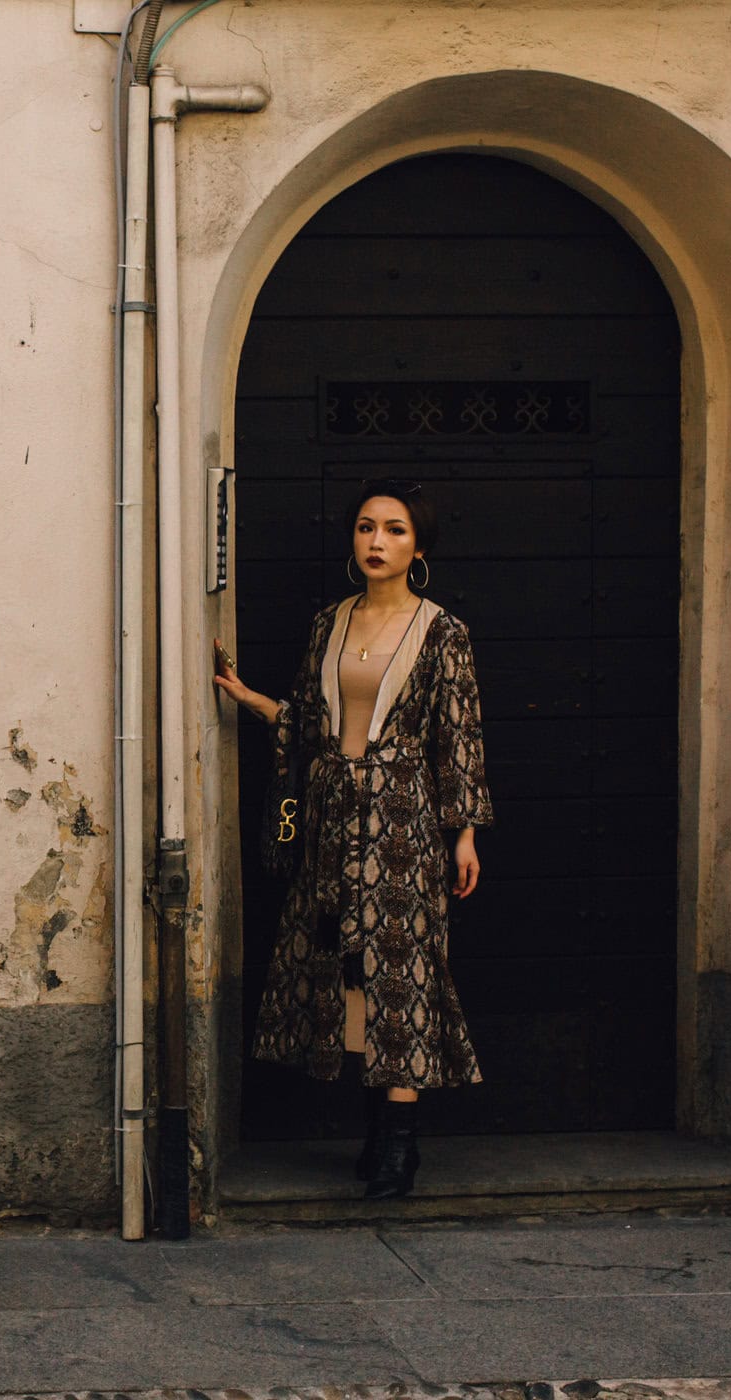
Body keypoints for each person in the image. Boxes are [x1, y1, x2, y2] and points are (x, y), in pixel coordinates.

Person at [213, 478, 492, 1199]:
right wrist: (250, 699)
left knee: (403, 974)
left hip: (406, 827)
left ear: (419, 546)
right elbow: (310, 722)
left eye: (395, 530)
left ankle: (400, 1147)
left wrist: (462, 836)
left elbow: (457, 738)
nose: (377, 541)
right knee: (349, 975)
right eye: (367, 527)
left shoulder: (443, 631)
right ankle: (377, 1130)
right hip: (335, 828)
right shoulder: (328, 623)